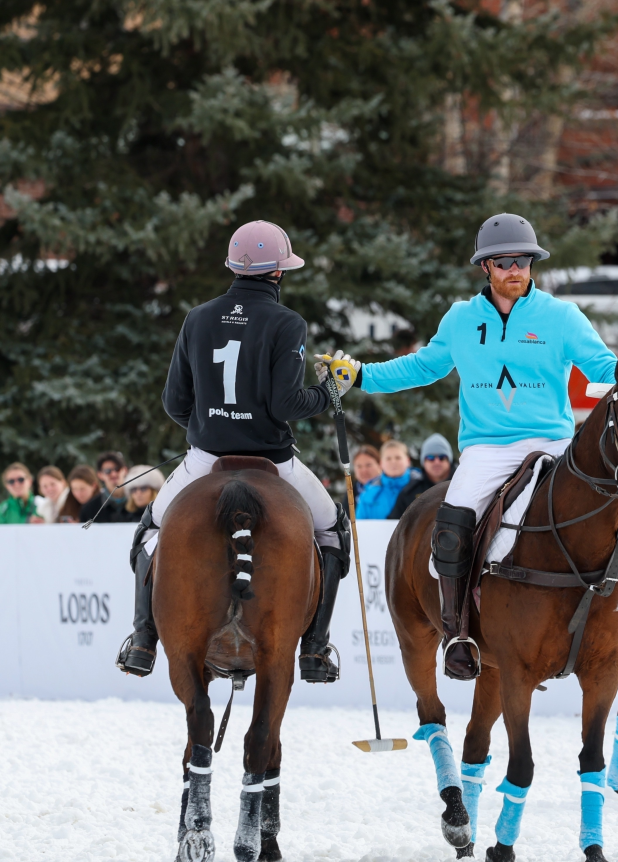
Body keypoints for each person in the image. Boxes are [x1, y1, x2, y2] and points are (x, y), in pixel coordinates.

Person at [316, 213, 618, 678]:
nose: (515, 270)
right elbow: (422, 367)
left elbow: (603, 365)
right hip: (487, 447)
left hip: (552, 444)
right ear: (485, 267)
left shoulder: (561, 317)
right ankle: (460, 631)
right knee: (452, 520)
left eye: (523, 261)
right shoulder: (462, 319)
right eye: (504, 262)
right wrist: (360, 375)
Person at [116, 219, 351, 683]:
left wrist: (210, 428)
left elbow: (173, 403)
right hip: (275, 463)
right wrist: (331, 392)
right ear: (279, 273)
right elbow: (286, 403)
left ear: (232, 267)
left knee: (151, 531)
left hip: (205, 459)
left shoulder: (197, 317)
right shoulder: (288, 322)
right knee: (333, 532)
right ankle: (315, 650)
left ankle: (143, 640)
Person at [388, 433, 456, 519]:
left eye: (442, 457)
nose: (436, 462)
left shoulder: (462, 486)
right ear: (423, 461)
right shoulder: (409, 492)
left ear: (449, 460)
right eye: (431, 457)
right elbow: (393, 524)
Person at [356, 440, 422, 519]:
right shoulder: (368, 495)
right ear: (381, 463)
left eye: (398, 458)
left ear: (407, 461)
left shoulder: (422, 487)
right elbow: (360, 528)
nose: (393, 462)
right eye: (388, 458)